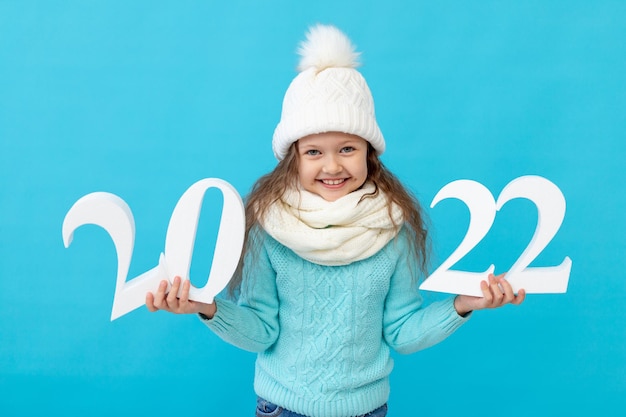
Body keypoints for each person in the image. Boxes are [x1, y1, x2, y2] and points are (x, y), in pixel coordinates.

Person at [146, 24, 525, 417]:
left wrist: (463, 305)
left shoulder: (392, 230)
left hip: (366, 409)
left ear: (369, 153)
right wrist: (207, 309)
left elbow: (402, 331)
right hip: (282, 407)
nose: (332, 166)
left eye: (347, 148)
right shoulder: (269, 229)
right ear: (292, 157)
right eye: (313, 151)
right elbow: (262, 329)